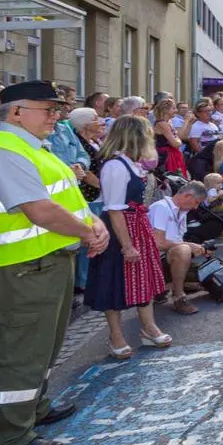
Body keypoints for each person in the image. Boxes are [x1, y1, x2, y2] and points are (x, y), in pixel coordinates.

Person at [0, 80, 109, 445]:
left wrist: (91, 226)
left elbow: (62, 197)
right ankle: (10, 436)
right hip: (23, 268)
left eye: (57, 109)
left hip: (45, 261)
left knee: (42, 345)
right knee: (22, 352)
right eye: (47, 110)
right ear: (16, 112)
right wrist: (87, 232)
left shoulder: (31, 147)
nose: (56, 116)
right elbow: (38, 209)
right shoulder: (5, 151)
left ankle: (35, 407)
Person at [85, 116, 172, 359]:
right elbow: (114, 209)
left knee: (143, 280)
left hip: (137, 225)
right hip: (120, 230)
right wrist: (127, 245)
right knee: (115, 284)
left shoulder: (132, 163)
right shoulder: (115, 166)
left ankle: (149, 327)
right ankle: (116, 337)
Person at [149, 180, 210, 315]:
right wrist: (188, 246)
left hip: (167, 259)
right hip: (152, 262)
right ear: (188, 196)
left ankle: (166, 287)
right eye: (197, 203)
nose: (195, 208)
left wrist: (198, 249)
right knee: (183, 250)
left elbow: (175, 242)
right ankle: (178, 296)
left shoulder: (181, 212)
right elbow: (157, 243)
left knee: (211, 278)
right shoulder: (161, 207)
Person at [153, 98, 188, 177]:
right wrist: (177, 140)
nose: (176, 110)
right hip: (167, 156)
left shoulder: (168, 122)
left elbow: (177, 138)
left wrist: (177, 139)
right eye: (173, 108)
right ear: (165, 110)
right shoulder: (162, 124)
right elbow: (176, 143)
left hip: (173, 153)